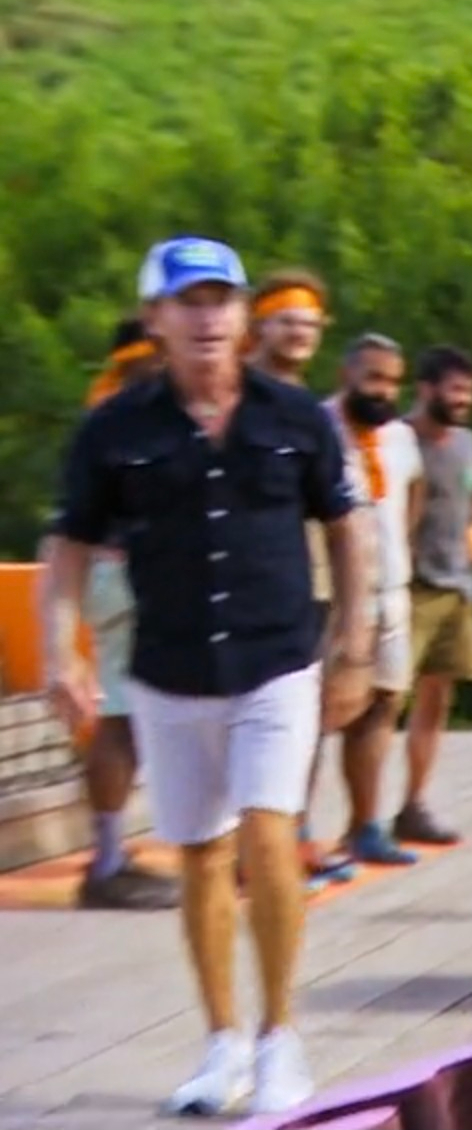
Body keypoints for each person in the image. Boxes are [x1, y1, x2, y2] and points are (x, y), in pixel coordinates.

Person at [38, 236, 375, 1116]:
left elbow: (346, 529)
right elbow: (68, 546)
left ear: (242, 314)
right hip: (170, 668)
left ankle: (280, 1039)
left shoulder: (294, 417)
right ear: (155, 318)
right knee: (199, 853)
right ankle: (223, 1040)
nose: (207, 317)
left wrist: (355, 643)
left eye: (221, 299)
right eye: (187, 302)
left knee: (269, 831)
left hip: (277, 660)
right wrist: (60, 651)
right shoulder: (116, 429)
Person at [243, 268, 357, 887]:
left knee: (302, 720)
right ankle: (250, 849)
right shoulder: (233, 397)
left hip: (306, 584)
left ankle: (295, 834)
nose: (299, 333)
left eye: (311, 323)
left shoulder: (307, 410)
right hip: (241, 588)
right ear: (258, 324)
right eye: (287, 320)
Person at [76, 315, 181, 910]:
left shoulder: (107, 411)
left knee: (128, 716)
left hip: (114, 573)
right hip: (124, 573)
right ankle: (107, 864)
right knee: (119, 717)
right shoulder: (130, 419)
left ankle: (113, 853)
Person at [320, 333, 425, 865]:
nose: (383, 391)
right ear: (347, 375)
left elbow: (415, 491)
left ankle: (364, 825)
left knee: (383, 703)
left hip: (392, 590)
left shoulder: (400, 437)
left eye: (392, 381)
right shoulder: (317, 428)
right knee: (319, 710)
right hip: (335, 595)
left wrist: (402, 545)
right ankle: (292, 835)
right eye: (373, 378)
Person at [397, 344, 472, 847]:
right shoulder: (398, 441)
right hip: (409, 588)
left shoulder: (468, 442)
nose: (463, 400)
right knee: (377, 704)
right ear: (426, 389)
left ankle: (413, 804)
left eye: (469, 392)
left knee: (436, 698)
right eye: (455, 390)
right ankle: (351, 820)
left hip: (457, 587)